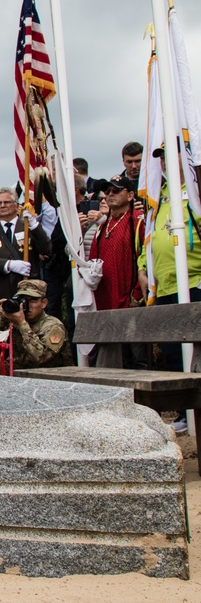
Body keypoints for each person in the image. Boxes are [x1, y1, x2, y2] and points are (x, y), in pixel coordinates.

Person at [137, 147, 201, 433]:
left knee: (197, 353)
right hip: (164, 285)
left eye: (170, 156)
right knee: (174, 353)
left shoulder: (195, 192)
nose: (164, 162)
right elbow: (150, 237)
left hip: (194, 282)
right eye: (161, 158)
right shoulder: (159, 196)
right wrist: (142, 267)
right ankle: (187, 414)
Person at [88, 176, 146, 368]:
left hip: (130, 302)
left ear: (130, 195)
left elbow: (145, 259)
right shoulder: (102, 226)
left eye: (116, 190)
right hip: (107, 304)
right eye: (107, 191)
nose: (110, 194)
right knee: (114, 362)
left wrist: (137, 295)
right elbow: (94, 263)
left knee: (137, 360)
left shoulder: (137, 221)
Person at [0, 279, 72, 374]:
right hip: (17, 367)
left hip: (49, 373)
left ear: (44, 303)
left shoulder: (54, 326)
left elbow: (41, 358)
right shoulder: (16, 318)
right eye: (24, 301)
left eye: (33, 300)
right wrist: (3, 318)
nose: (28, 305)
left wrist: (22, 324)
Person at [0, 187, 52, 311]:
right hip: (1, 293)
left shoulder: (28, 228)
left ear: (16, 205)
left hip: (28, 293)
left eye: (6, 202)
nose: (2, 206)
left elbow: (46, 249)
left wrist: (34, 225)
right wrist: (8, 265)